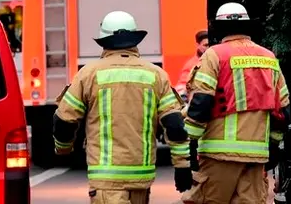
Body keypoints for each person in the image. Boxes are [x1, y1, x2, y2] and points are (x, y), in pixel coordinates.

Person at [53, 11, 194, 204]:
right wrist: (182, 166)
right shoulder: (156, 75)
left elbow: (64, 119)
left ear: (104, 41)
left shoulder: (89, 74)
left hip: (105, 178)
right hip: (142, 177)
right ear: (134, 38)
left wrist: (63, 149)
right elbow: (175, 125)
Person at [182, 2, 290, 204]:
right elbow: (283, 110)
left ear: (218, 28)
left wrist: (190, 142)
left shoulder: (214, 55)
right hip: (256, 155)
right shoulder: (268, 58)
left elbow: (202, 103)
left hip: (218, 155)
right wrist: (274, 145)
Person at [175, 30, 209, 100]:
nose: (208, 48)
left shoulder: (215, 61)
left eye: (210, 45)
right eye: (205, 45)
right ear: (197, 45)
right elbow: (181, 86)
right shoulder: (191, 64)